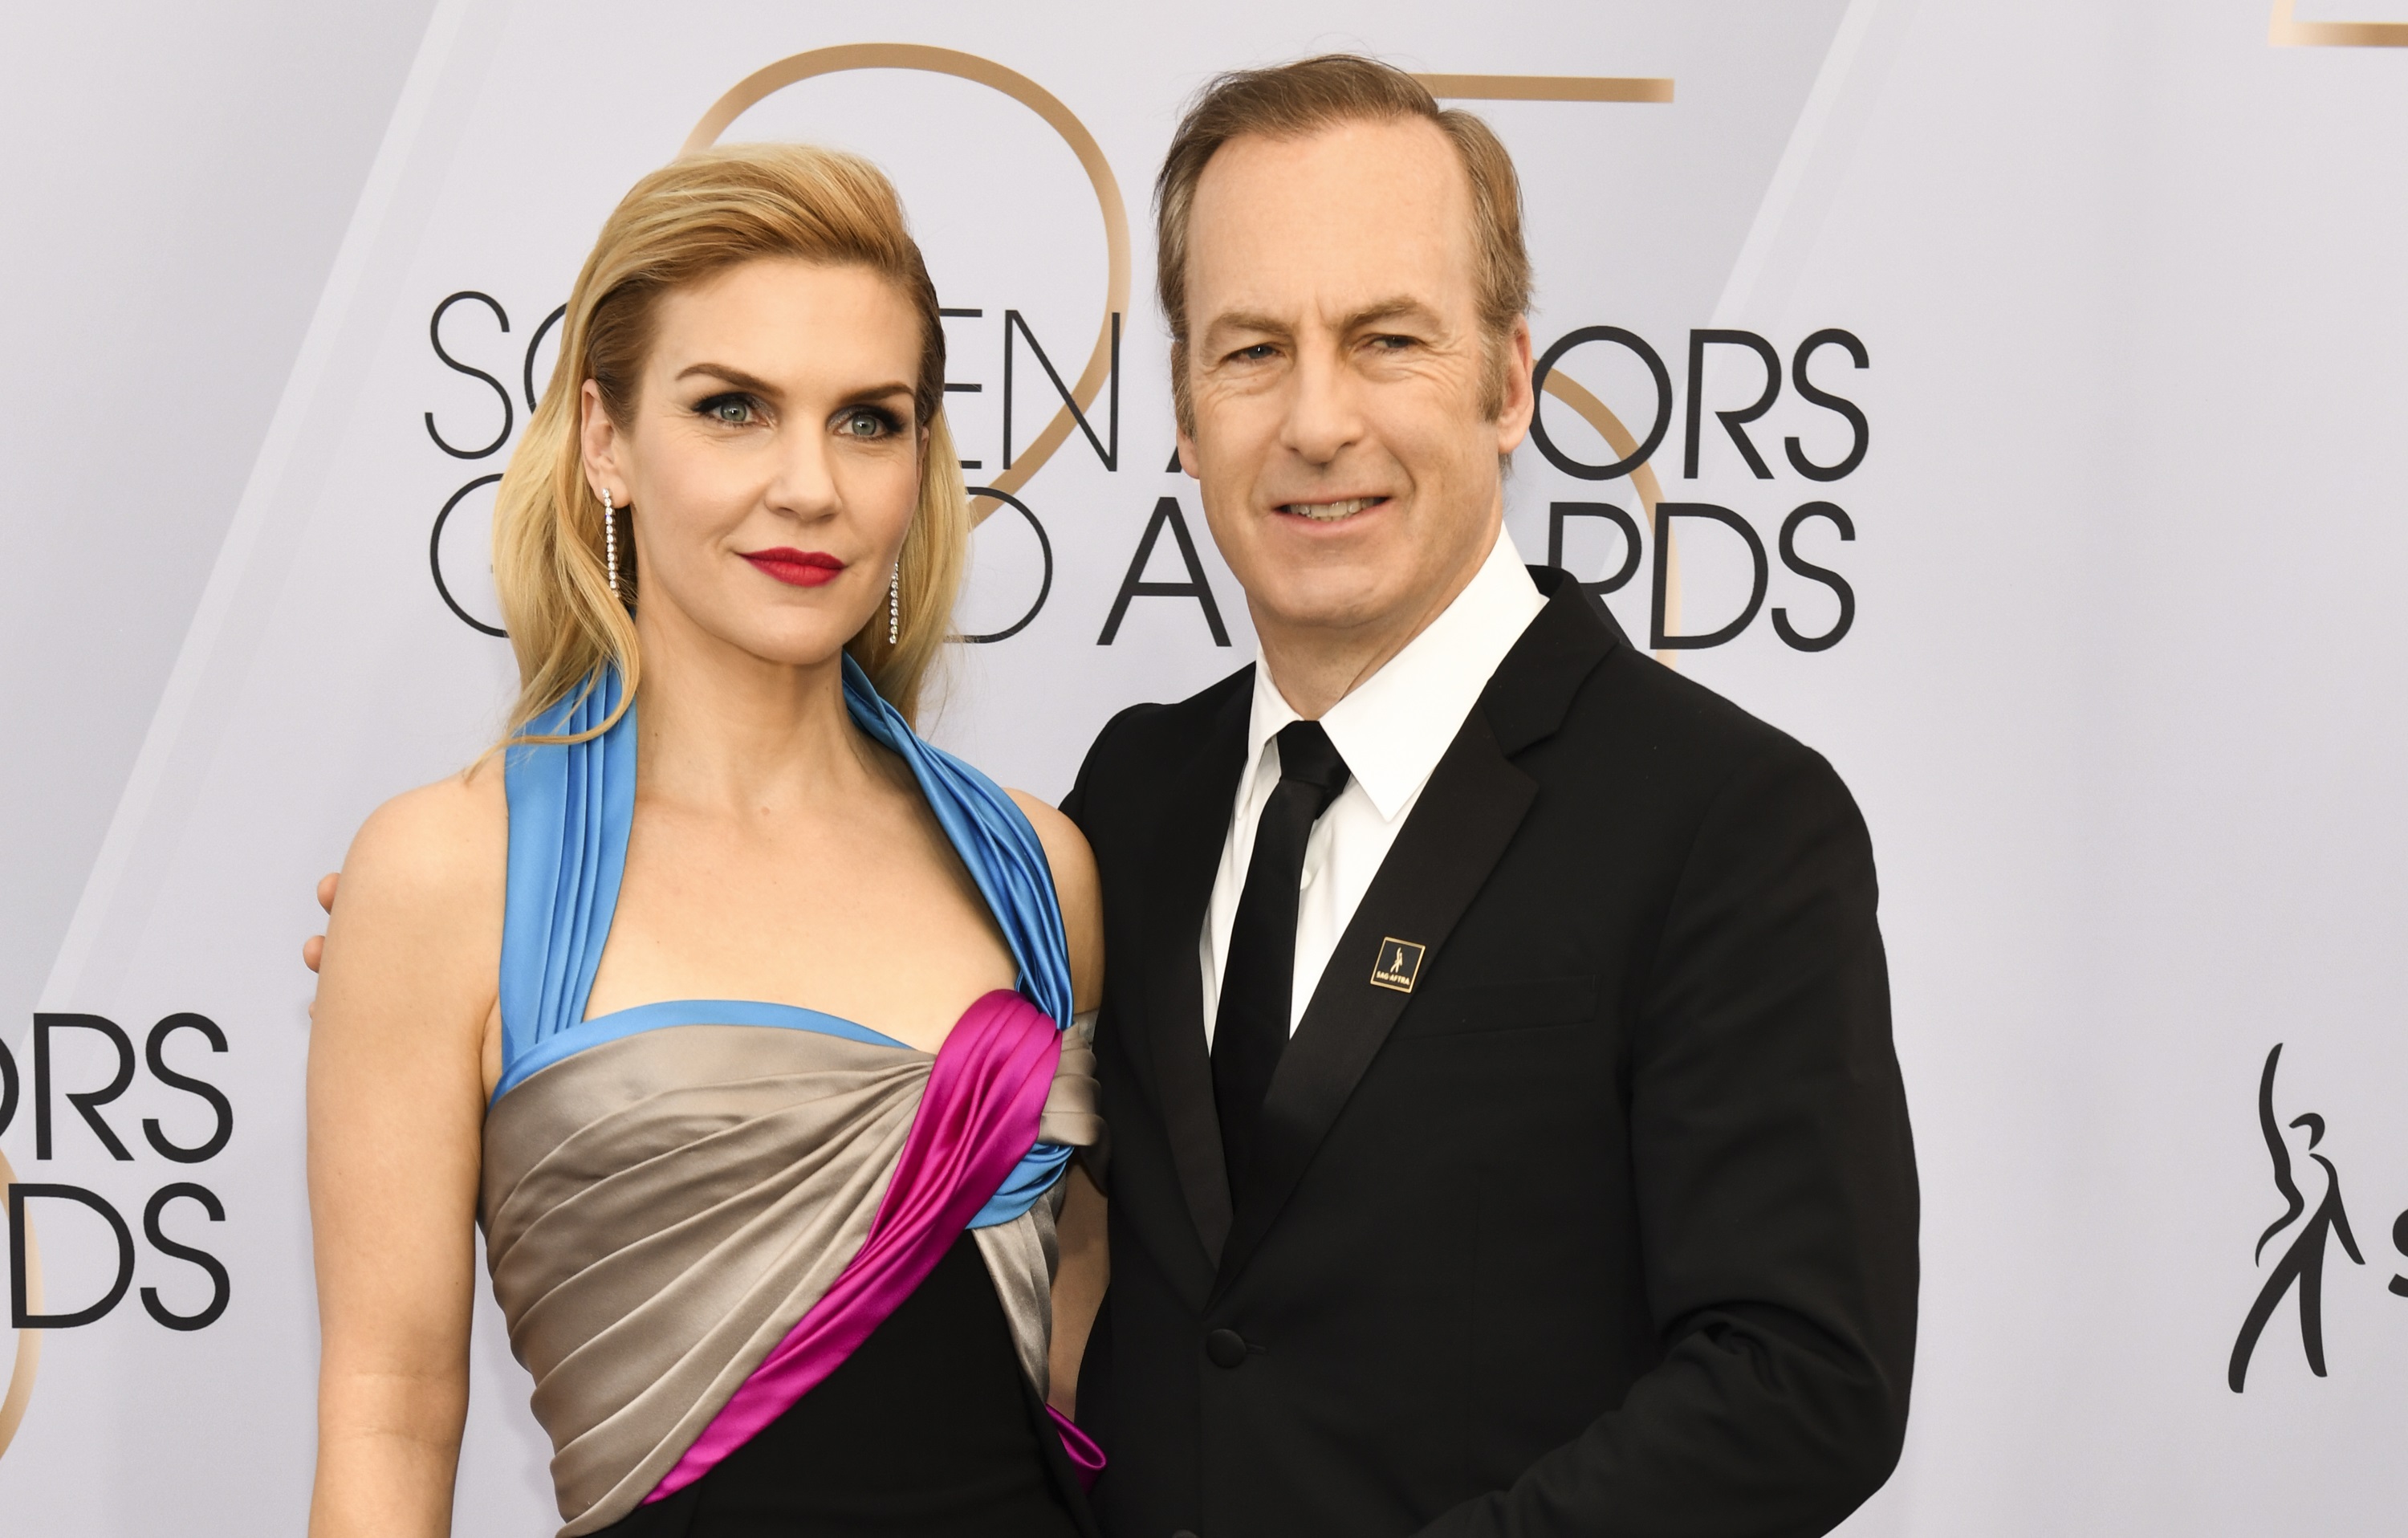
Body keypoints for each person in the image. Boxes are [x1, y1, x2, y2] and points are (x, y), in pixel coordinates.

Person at [1058, 56, 1920, 1537]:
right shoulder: (1132, 797)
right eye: (1252, 350)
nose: (1317, 421)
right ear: (1185, 415)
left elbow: (1802, 1378)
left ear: (1510, 381)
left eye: (1387, 339)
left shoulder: (1727, 821)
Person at [303, 144, 1108, 1538]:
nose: (810, 486)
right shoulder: (452, 873)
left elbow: (1089, 1344)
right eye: (733, 408)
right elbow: (389, 1408)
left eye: (869, 421)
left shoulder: (1039, 873)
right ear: (605, 439)